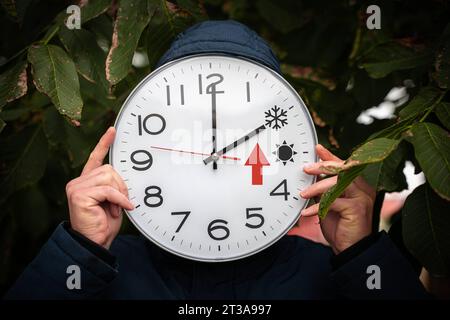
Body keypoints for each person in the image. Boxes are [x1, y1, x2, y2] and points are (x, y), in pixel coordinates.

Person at [6, 20, 429, 299]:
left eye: (240, 127)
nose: (218, 149)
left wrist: (362, 257)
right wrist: (80, 250)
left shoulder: (332, 277)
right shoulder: (105, 270)